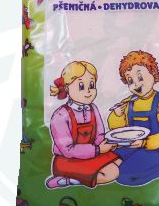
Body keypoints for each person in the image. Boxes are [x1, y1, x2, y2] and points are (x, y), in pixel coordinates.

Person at [108, 50, 159, 186]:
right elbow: (118, 130)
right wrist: (117, 115)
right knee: (108, 165)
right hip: (132, 147)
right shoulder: (128, 102)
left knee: (122, 175)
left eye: (140, 77)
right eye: (130, 80)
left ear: (153, 73)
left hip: (157, 150)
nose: (136, 84)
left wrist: (145, 143)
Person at [46, 61, 120, 189]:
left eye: (92, 85)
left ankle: (73, 178)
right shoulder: (60, 115)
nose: (88, 91)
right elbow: (67, 150)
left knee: (119, 161)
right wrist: (97, 150)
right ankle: (70, 180)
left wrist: (106, 144)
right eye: (81, 86)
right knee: (112, 173)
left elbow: (100, 134)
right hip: (68, 160)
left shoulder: (93, 108)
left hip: (91, 154)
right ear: (67, 88)